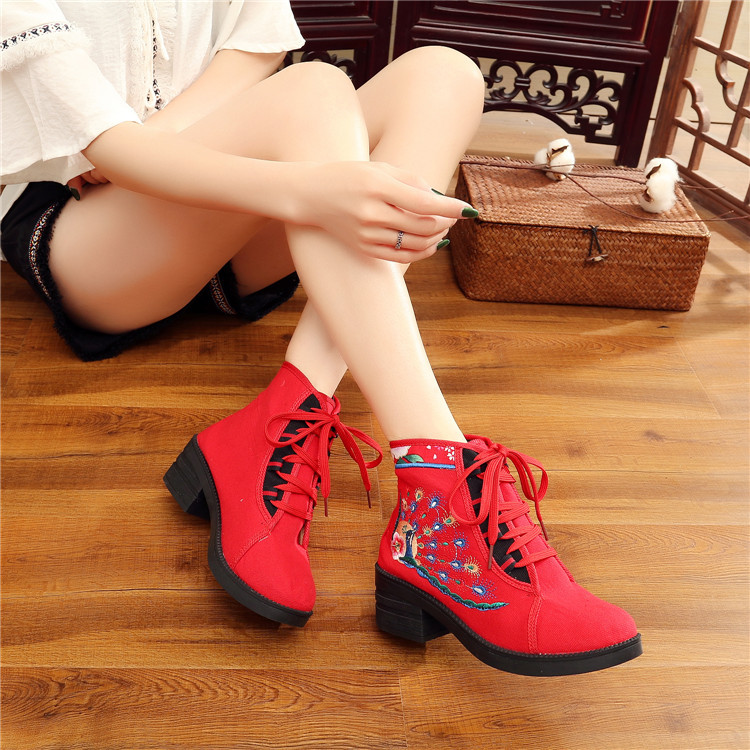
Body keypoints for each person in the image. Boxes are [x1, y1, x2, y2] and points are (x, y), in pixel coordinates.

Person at [1, 0, 641, 676]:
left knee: (443, 75)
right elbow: (107, 149)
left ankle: (281, 419)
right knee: (313, 89)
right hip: (91, 233)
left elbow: (252, 48)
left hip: (224, 212)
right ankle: (438, 488)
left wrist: (177, 139)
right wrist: (306, 189)